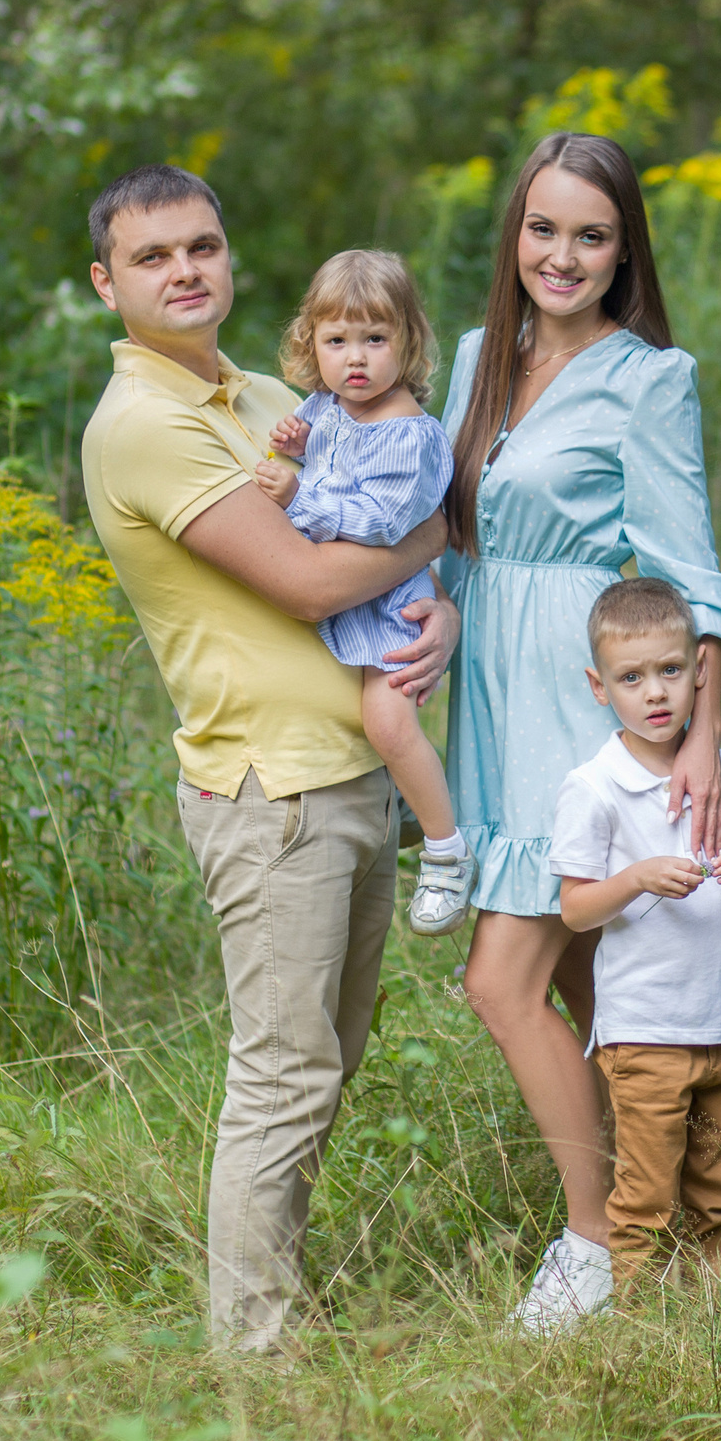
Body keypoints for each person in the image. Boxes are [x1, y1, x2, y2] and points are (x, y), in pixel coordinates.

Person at [77, 164, 458, 1353]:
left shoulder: (267, 397)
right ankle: (252, 1360)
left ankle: (274, 1301)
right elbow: (304, 581)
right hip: (270, 790)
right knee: (285, 1074)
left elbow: (369, 550)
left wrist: (438, 608)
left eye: (201, 246)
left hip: (352, 771)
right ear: (106, 285)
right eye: (151, 257)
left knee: (327, 1065)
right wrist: (447, 528)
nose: (184, 271)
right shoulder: (145, 426)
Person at [437, 132, 721, 1332]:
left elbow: (686, 571)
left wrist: (700, 737)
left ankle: (592, 1245)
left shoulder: (648, 378)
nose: (560, 256)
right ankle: (670, 1225)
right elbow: (446, 536)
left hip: (574, 701)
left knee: (498, 981)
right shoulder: (478, 356)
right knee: (594, 985)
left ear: (624, 253)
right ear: (513, 234)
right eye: (541, 228)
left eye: (590, 235)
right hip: (486, 696)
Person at [550, 578, 721, 1313]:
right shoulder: (596, 787)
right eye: (631, 677)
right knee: (646, 1195)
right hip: (646, 1031)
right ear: (599, 686)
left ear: (699, 671)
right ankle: (644, 1327)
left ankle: (714, 1321)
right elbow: (575, 910)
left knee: (720, 1191)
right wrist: (638, 877)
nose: (655, 692)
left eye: (671, 670)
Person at [250, 250, 473, 936]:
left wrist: (299, 492)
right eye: (336, 340)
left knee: (387, 721)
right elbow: (323, 450)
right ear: (310, 343)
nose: (355, 359)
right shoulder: (328, 407)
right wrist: (298, 440)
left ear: (408, 341)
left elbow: (382, 522)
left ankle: (446, 851)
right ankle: (404, 796)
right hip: (349, 600)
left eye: (375, 339)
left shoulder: (408, 433)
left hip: (386, 608)